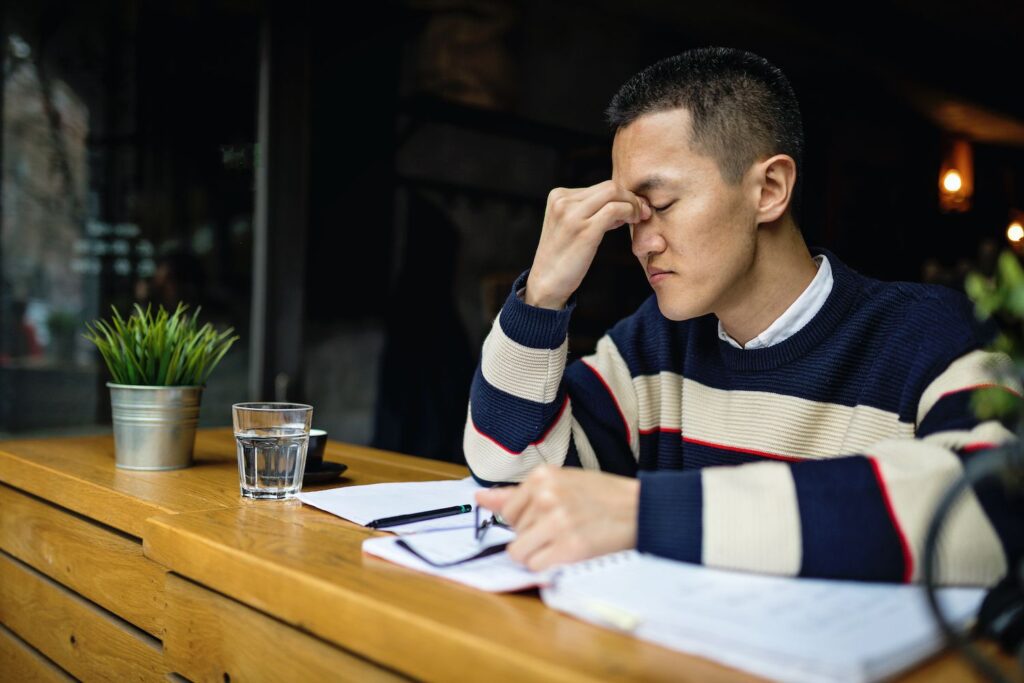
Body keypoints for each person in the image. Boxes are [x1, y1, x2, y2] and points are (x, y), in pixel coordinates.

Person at [463, 47, 1022, 585]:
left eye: (660, 206)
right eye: (631, 216)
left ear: (770, 189)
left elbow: (992, 507)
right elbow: (514, 478)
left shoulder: (935, 336)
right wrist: (541, 298)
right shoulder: (650, 347)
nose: (641, 244)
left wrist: (648, 515)